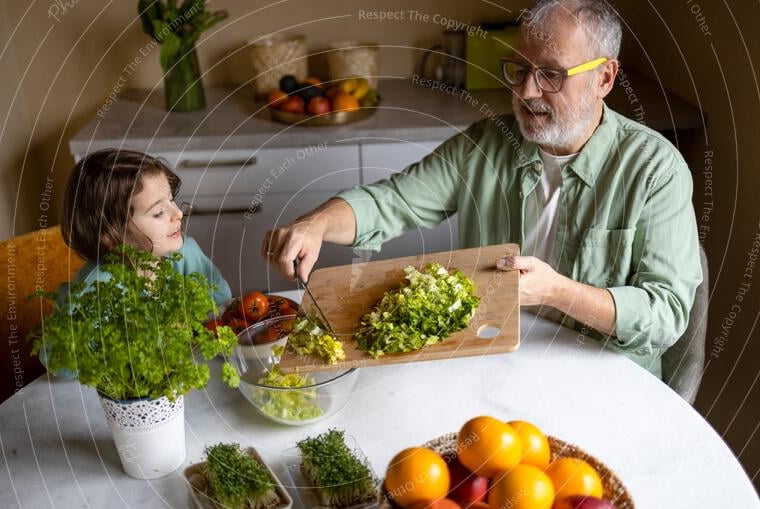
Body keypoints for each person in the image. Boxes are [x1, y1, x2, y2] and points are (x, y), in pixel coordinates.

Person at [261, 0, 702, 378]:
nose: (527, 91)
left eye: (551, 74)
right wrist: (315, 224)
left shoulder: (654, 169)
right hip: (491, 355)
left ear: (605, 78)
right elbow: (392, 201)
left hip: (603, 377)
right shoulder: (487, 144)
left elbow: (666, 314)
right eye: (519, 69)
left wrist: (556, 291)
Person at [40, 149, 230, 374]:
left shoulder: (186, 253)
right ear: (111, 234)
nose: (178, 213)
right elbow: (59, 364)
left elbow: (222, 301)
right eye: (159, 212)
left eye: (171, 200)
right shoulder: (97, 286)